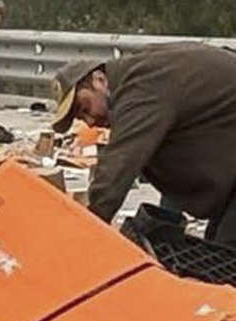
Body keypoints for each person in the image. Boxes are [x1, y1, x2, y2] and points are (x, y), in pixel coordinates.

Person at [53, 47, 236, 240]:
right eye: (81, 117)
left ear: (99, 79)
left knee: (226, 253)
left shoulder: (140, 89)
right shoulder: (138, 75)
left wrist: (86, 235)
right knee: (216, 251)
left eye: (85, 108)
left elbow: (119, 165)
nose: (89, 122)